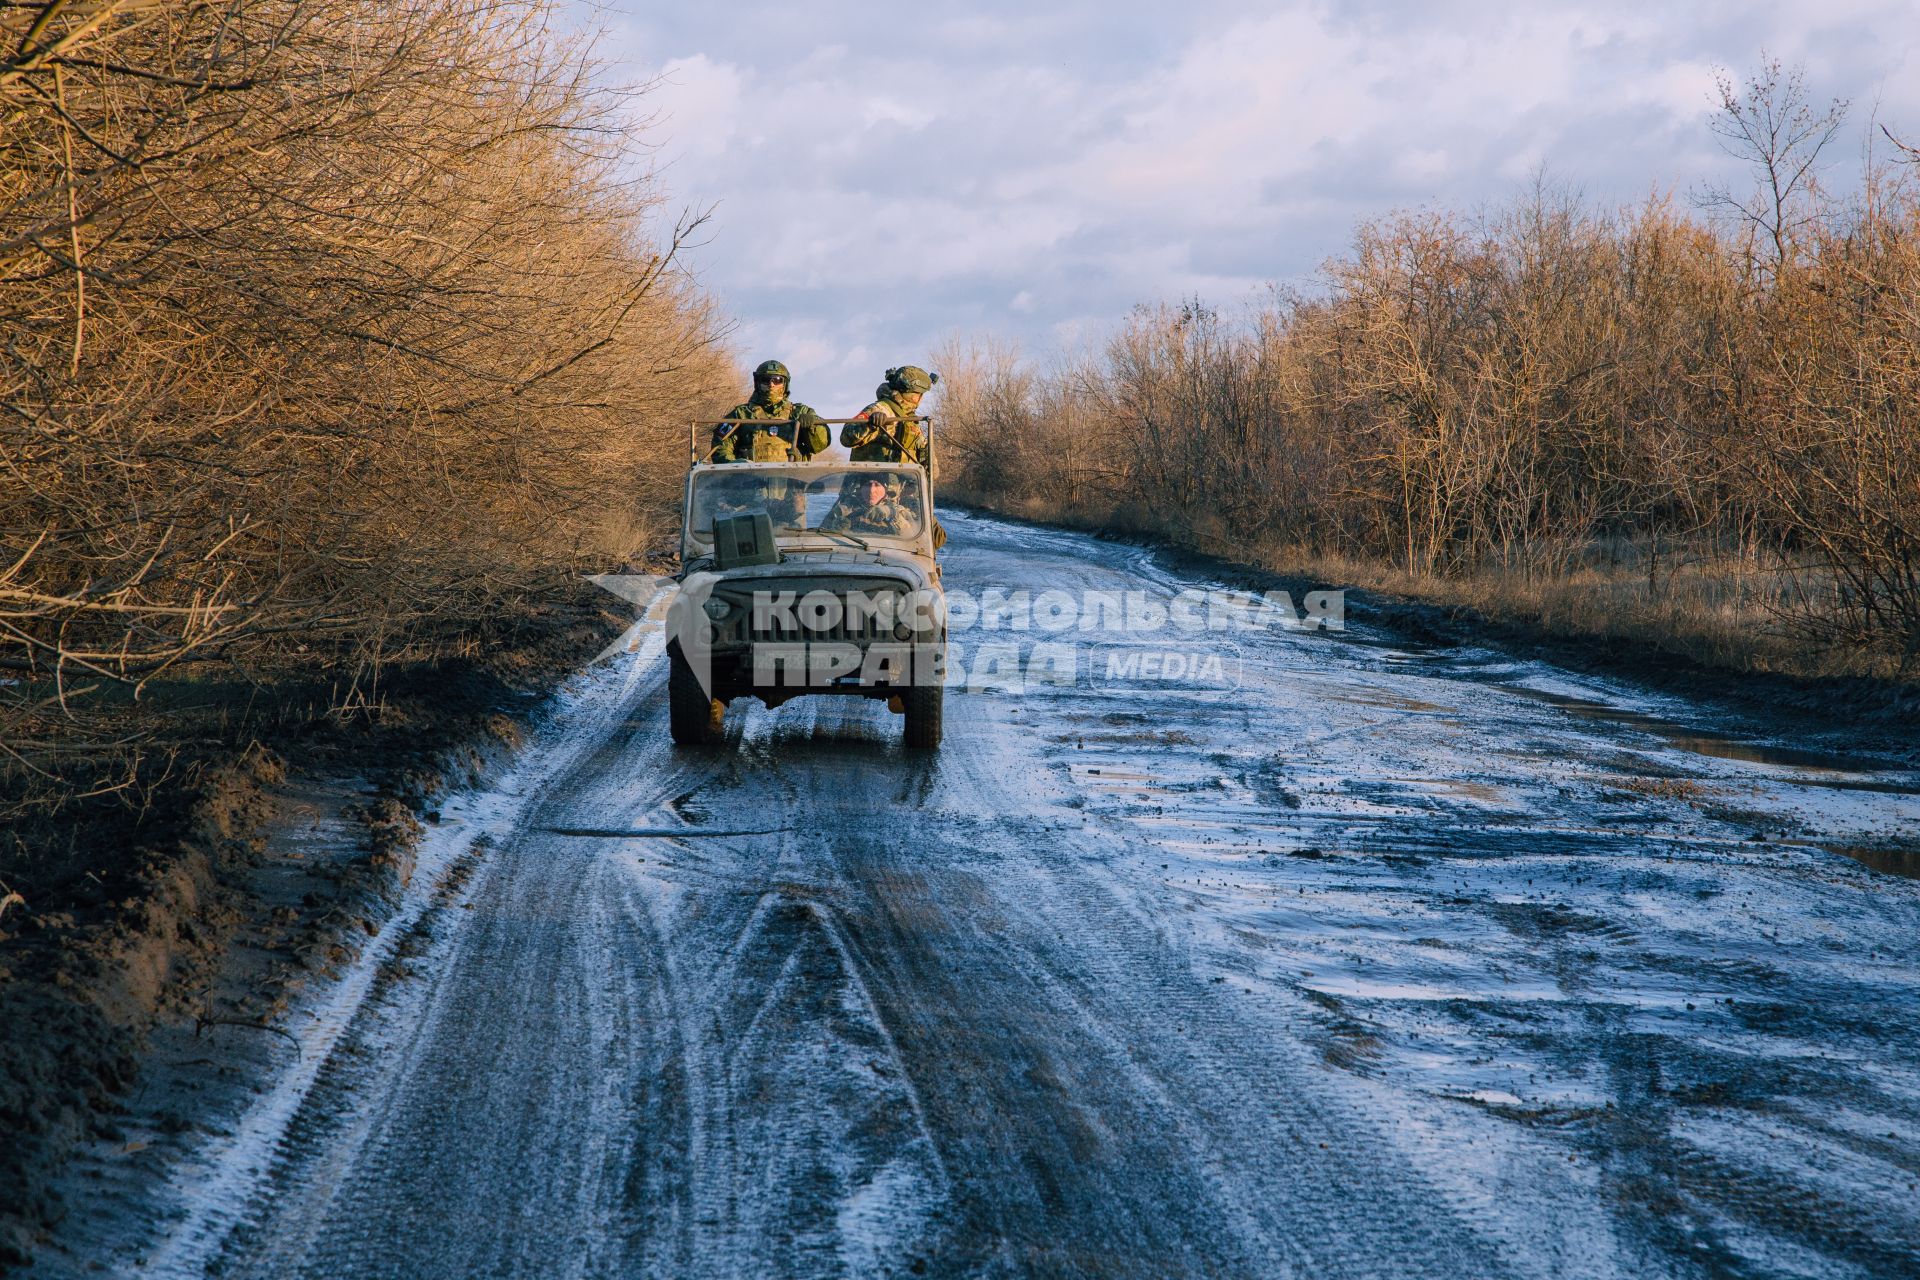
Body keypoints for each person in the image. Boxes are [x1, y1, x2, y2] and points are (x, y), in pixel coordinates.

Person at [710, 360, 829, 463]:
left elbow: (820, 445)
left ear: (785, 384)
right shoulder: (741, 414)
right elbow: (720, 447)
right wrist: (737, 467)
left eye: (777, 380)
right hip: (750, 485)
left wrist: (813, 427)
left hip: (792, 484)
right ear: (758, 383)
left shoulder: (799, 412)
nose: (771, 384)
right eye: (765, 380)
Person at [840, 365, 936, 470]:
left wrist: (927, 455)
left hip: (902, 484)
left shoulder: (910, 419)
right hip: (869, 482)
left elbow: (934, 471)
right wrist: (869, 425)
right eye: (920, 394)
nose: (921, 398)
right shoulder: (879, 409)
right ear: (912, 395)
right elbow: (846, 438)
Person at [820, 473, 920, 538]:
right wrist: (835, 530)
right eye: (867, 485)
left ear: (886, 490)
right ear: (861, 489)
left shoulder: (899, 512)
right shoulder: (844, 509)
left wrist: (891, 514)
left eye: (877, 485)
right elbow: (821, 537)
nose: (872, 491)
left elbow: (912, 537)